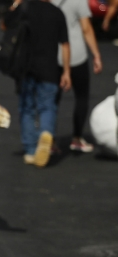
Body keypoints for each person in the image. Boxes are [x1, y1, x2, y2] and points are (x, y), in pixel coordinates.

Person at [4, 0, 71, 166]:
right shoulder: (57, 13)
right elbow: (65, 44)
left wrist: (14, 5)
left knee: (27, 109)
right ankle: (46, 132)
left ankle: (30, 150)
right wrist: (67, 72)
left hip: (26, 68)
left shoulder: (24, 9)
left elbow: (5, 25)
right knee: (48, 106)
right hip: (50, 69)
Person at [52, 0, 102, 153]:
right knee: (81, 97)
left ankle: (50, 139)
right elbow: (86, 28)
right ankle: (77, 137)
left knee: (52, 100)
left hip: (53, 55)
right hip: (76, 55)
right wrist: (96, 54)